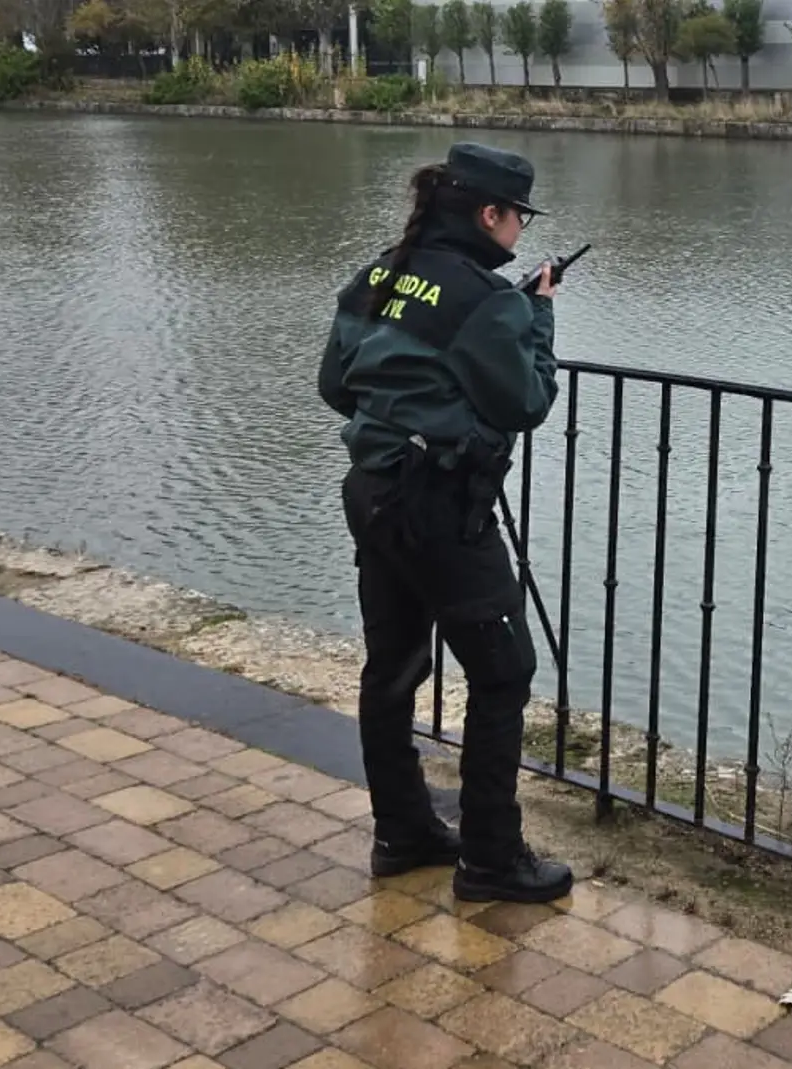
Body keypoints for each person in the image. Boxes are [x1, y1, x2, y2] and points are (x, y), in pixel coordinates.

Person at [317, 142, 573, 904]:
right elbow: (525, 401)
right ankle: (491, 856)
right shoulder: (488, 300)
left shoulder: (377, 275)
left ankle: (402, 832)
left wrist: (407, 404)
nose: (520, 231)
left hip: (372, 491)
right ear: (490, 214)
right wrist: (538, 316)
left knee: (392, 669)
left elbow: (335, 384)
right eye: (519, 216)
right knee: (504, 671)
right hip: (438, 506)